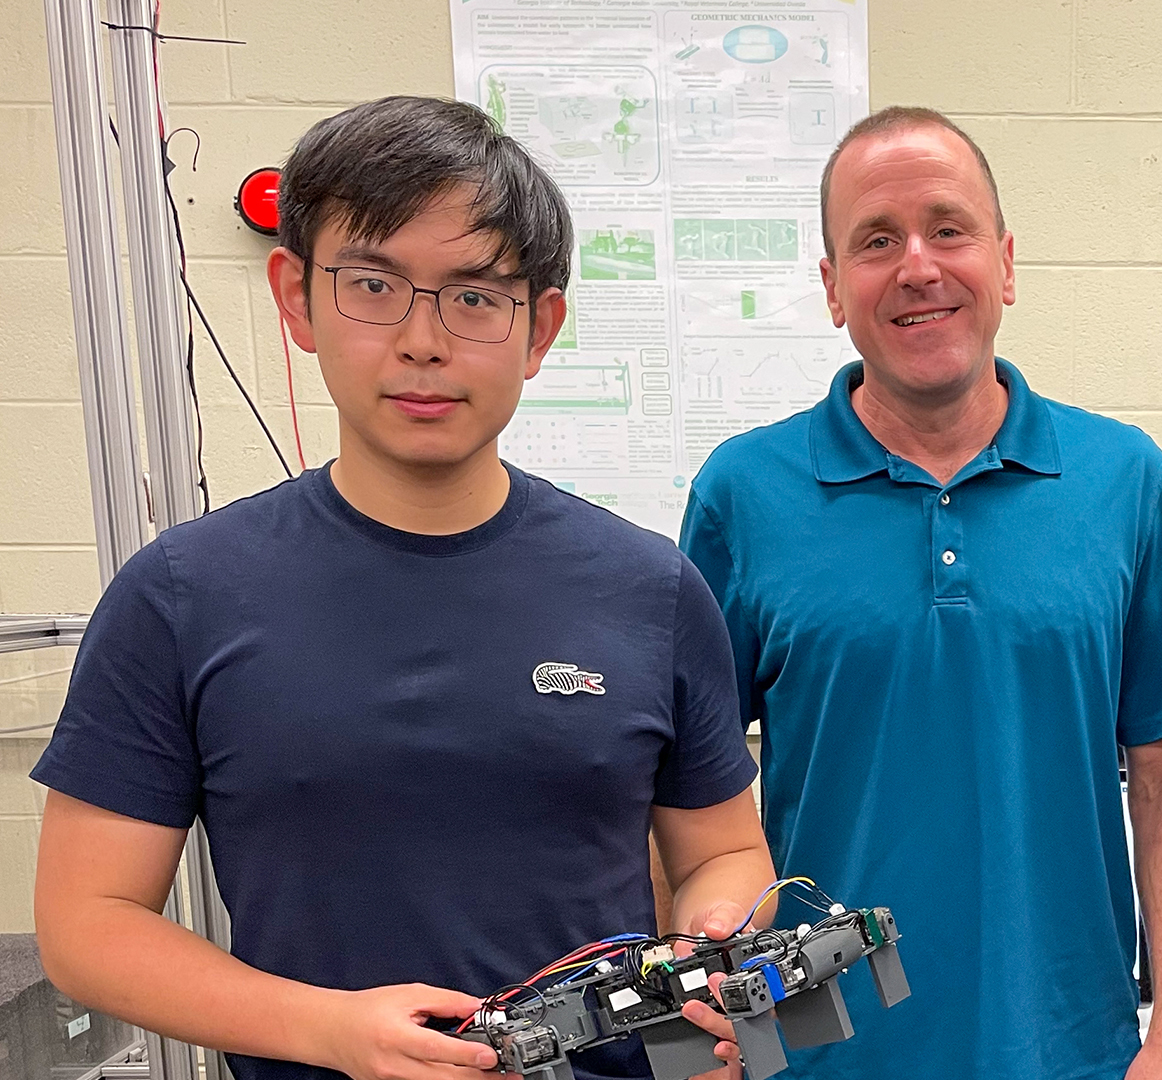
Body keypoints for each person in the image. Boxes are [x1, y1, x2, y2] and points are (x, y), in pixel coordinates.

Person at [32, 96, 773, 1080]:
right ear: (296, 299)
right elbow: (88, 921)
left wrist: (714, 942)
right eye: (373, 285)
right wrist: (324, 1029)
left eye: (474, 296)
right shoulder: (182, 596)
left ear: (539, 327)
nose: (424, 340)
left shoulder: (649, 588)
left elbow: (721, 852)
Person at [677, 106, 1162, 1080]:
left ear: (1005, 263)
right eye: (877, 241)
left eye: (948, 228)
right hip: (814, 1059)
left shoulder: (1125, 479)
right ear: (834, 290)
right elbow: (683, 796)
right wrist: (701, 1035)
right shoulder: (742, 494)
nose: (918, 265)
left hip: (1074, 1053)